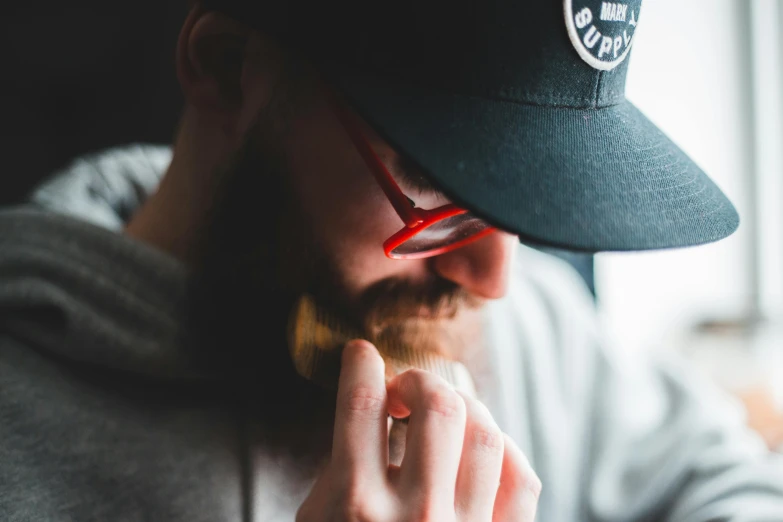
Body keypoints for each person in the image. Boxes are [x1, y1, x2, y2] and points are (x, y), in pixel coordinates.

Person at [1, 0, 782, 520]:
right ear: (228, 67)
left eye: (526, 197)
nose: (494, 280)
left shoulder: (531, 325)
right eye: (436, 184)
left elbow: (736, 484)